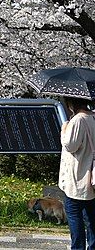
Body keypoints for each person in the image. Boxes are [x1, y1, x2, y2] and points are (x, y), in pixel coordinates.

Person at [59, 96, 95, 250]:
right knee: (92, 217)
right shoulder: (93, 117)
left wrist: (64, 128)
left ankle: (78, 247)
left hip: (77, 177)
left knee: (74, 215)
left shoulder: (78, 120)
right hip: (92, 177)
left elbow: (70, 145)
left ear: (70, 103)